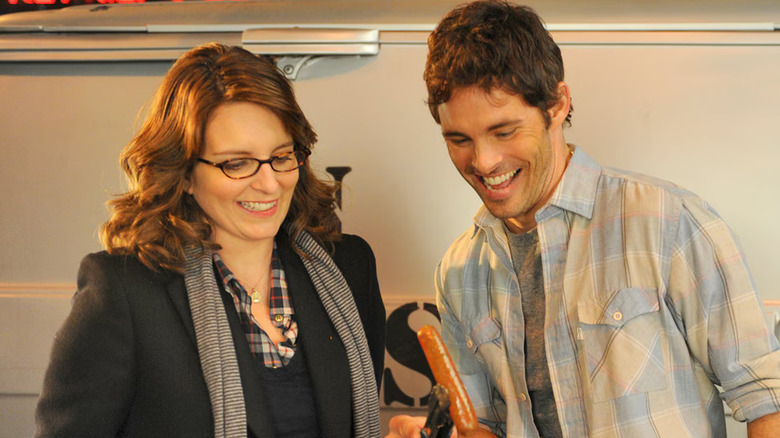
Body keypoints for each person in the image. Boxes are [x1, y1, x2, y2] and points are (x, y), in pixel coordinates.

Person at [387, 1, 780, 437]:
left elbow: (769, 400)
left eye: (504, 132)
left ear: (557, 105)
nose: (483, 161)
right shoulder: (458, 273)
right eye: (460, 139)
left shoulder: (666, 221)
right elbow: (482, 427)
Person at [35, 43, 385, 438]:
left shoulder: (349, 267)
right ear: (183, 173)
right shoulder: (123, 292)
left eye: (282, 156)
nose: (269, 183)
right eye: (236, 163)